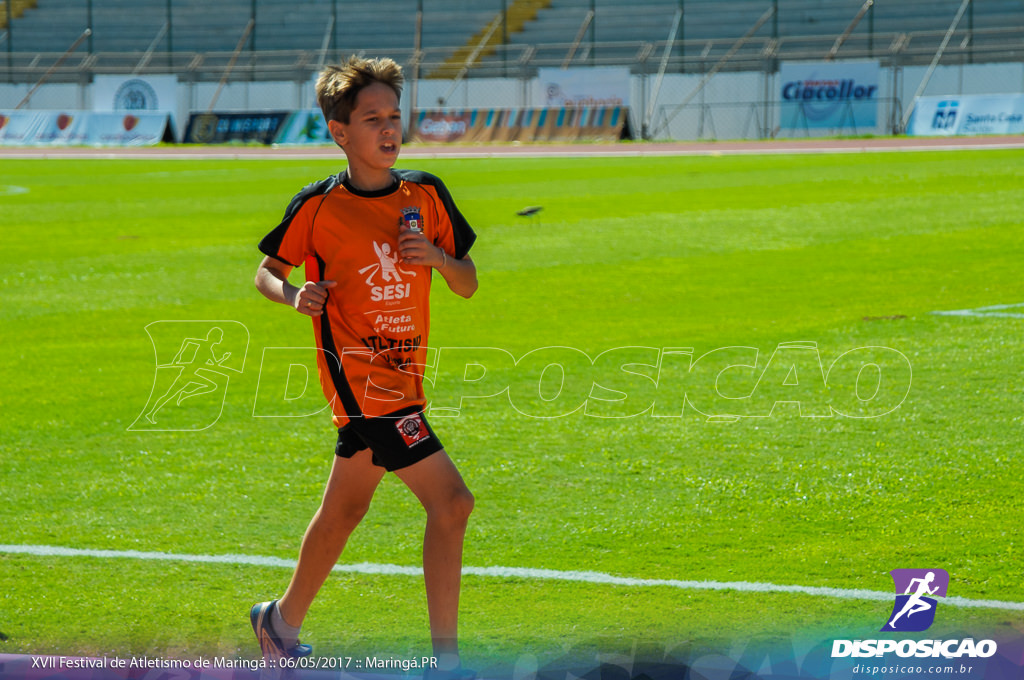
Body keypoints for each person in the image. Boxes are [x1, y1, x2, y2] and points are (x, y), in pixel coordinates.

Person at [251, 55, 478, 680]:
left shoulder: (426, 193)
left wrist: (435, 256)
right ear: (339, 132)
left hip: (406, 378)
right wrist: (295, 295)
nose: (388, 129)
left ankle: (278, 624)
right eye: (371, 118)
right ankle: (447, 662)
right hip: (362, 385)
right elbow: (269, 271)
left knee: (346, 511)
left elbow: (468, 283)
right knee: (453, 503)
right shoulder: (318, 207)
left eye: (394, 116)